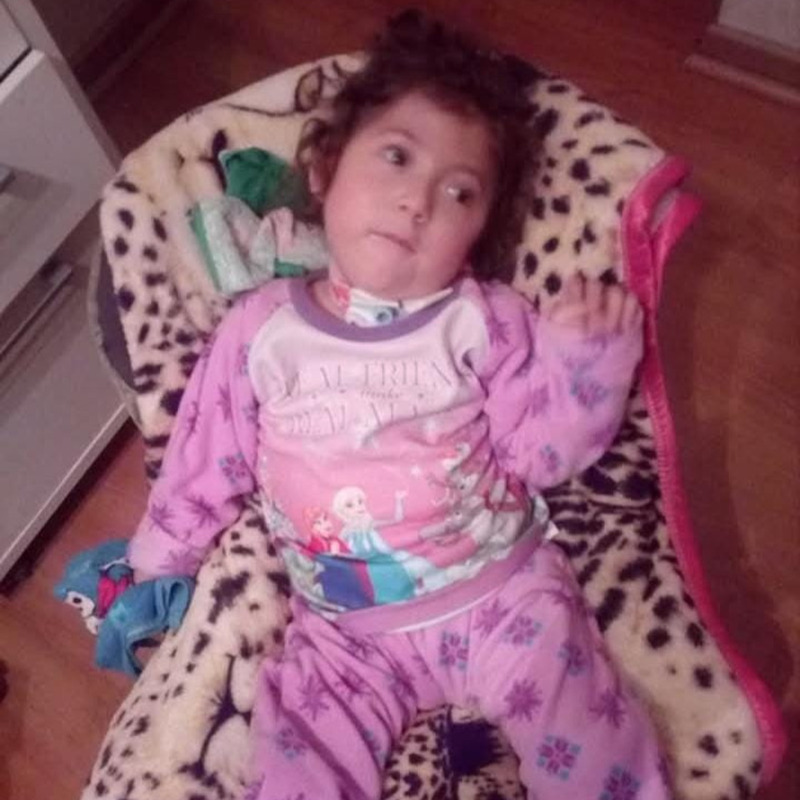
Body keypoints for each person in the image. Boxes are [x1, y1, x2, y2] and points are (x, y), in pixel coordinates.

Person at [128, 11, 672, 800]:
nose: (418, 200)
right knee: (295, 756)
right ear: (324, 169)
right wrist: (160, 557)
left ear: (479, 230)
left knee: (587, 733)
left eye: (459, 191)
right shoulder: (260, 330)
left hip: (502, 595)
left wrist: (586, 356)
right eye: (396, 156)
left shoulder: (482, 318)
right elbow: (204, 451)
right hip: (344, 633)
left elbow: (543, 454)